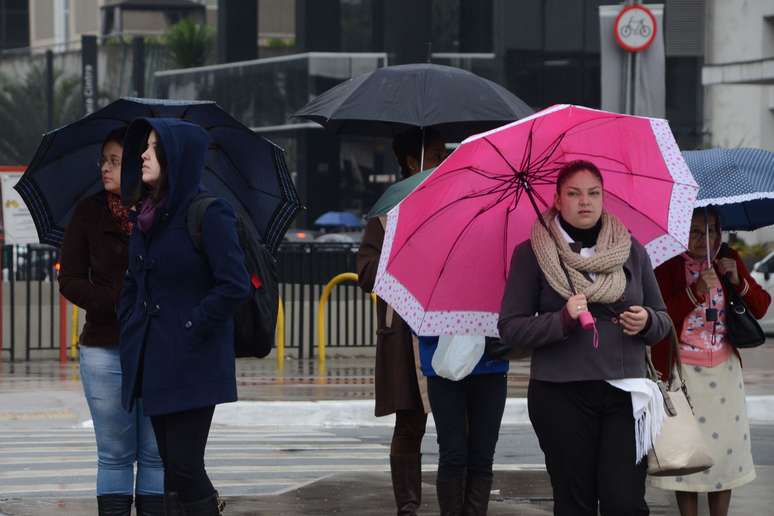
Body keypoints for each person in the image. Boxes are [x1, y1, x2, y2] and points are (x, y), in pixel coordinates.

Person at [497, 160, 672, 515]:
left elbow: (664, 320)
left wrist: (647, 320)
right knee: (574, 501)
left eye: (593, 193)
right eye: (574, 194)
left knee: (624, 502)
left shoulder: (632, 250)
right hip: (560, 394)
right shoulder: (531, 254)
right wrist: (563, 319)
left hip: (625, 393)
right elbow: (511, 328)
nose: (585, 201)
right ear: (557, 200)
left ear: (603, 197)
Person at [118, 118, 250, 516]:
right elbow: (134, 283)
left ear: (177, 157)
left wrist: (192, 324)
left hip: (193, 362)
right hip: (156, 360)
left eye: (154, 147)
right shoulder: (147, 215)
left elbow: (234, 284)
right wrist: (129, 322)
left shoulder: (209, 213)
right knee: (173, 470)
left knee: (186, 466)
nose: (142, 154)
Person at [59, 127, 165, 516]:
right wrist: (112, 301)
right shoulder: (88, 213)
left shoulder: (161, 210)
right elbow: (68, 278)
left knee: (155, 453)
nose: (105, 168)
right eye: (103, 160)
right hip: (104, 345)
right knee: (115, 453)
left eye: (115, 161)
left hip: (157, 345)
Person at [650, 208, 770, 516]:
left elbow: (760, 307)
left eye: (712, 229)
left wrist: (737, 279)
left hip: (725, 373)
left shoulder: (727, 258)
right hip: (683, 371)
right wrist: (694, 292)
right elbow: (659, 319)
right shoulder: (667, 265)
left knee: (725, 456)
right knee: (686, 455)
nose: (706, 238)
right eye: (695, 231)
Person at [357, 127, 447, 515]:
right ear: (414, 161)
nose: (445, 160)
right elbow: (365, 272)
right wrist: (402, 249)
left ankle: (456, 504)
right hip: (405, 334)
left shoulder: (453, 204)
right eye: (439, 154)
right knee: (409, 426)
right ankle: (408, 506)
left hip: (451, 329)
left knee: (458, 430)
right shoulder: (386, 213)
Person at [417, 335, 508, 515]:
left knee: (482, 456)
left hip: (490, 365)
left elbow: (514, 319)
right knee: (452, 454)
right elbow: (421, 327)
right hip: (444, 366)